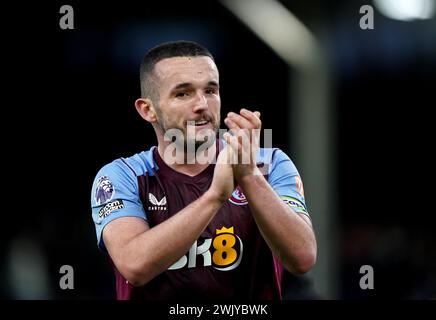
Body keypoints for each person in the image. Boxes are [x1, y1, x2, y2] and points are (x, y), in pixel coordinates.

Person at [90, 40, 317, 300]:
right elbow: (134, 266)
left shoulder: (270, 163)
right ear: (147, 110)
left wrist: (249, 176)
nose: (202, 104)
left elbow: (303, 258)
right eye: (183, 93)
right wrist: (214, 197)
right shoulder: (122, 176)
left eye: (210, 90)